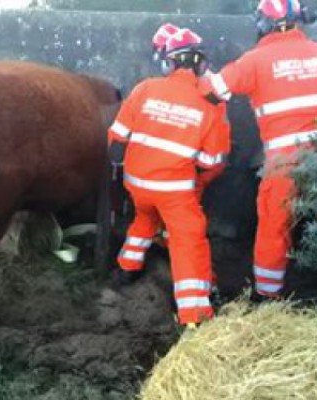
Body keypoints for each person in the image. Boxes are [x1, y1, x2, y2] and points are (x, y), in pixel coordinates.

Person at [199, 0, 317, 299]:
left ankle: (268, 298)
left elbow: (211, 91)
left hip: (283, 161)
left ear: (261, 24)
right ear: (301, 20)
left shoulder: (255, 60)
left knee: (274, 226)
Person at [108, 28, 230, 327]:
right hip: (174, 191)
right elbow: (212, 160)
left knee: (143, 219)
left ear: (168, 63)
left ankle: (126, 269)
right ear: (200, 64)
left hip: (136, 184)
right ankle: (194, 315)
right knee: (188, 240)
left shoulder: (144, 89)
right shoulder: (211, 105)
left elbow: (117, 137)